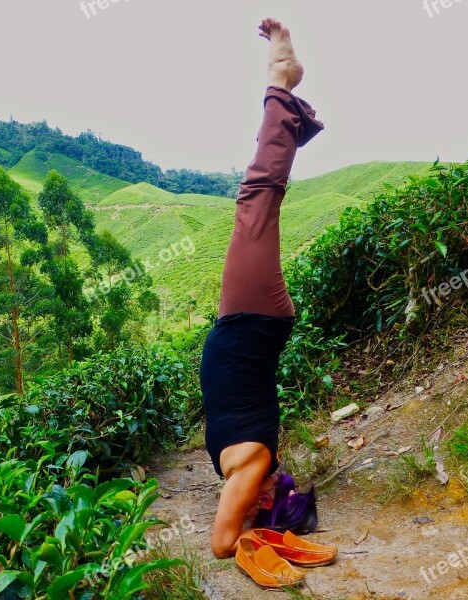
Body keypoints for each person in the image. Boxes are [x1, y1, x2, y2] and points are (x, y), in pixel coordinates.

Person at [200, 17, 325, 558]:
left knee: (258, 200)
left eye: (279, 493)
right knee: (257, 197)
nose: (280, 484)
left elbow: (225, 535)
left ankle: (288, 102)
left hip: (247, 324)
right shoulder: (252, 466)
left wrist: (258, 523)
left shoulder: (245, 470)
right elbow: (223, 544)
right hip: (251, 322)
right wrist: (267, 534)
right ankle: (282, 82)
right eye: (275, 492)